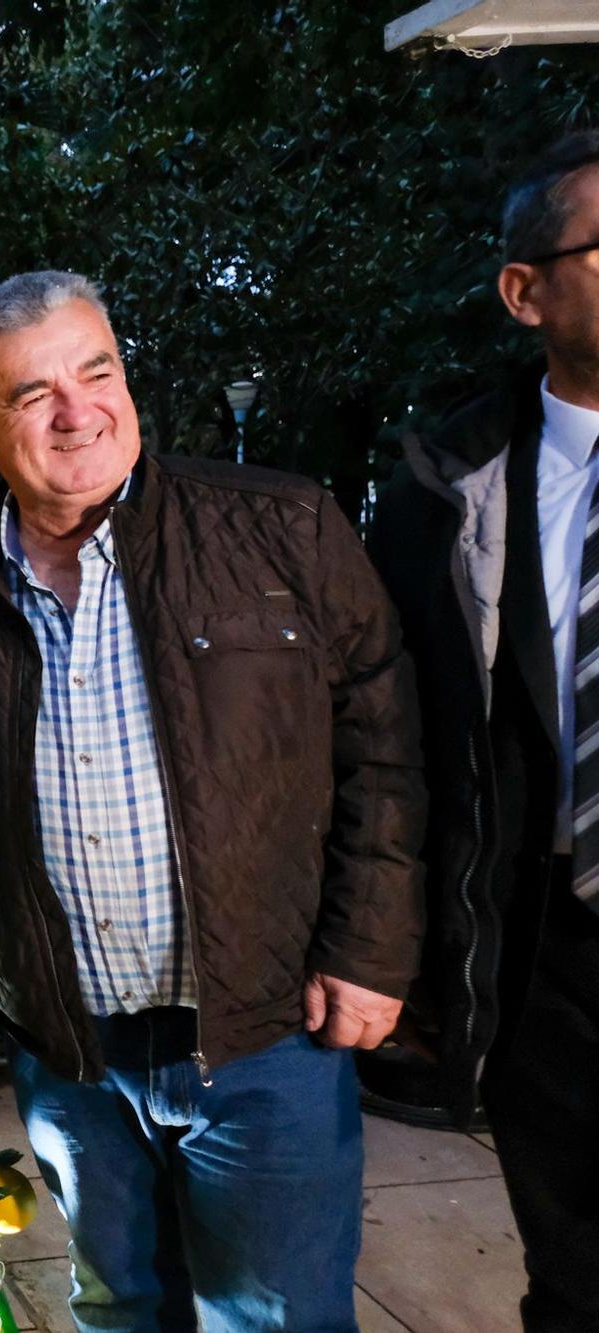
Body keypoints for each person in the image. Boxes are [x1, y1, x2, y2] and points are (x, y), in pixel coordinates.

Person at [0, 270, 425, 1332]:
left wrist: (371, 947)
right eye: (30, 393)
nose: (75, 409)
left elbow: (385, 742)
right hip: (69, 1049)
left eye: (94, 370)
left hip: (263, 1034)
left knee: (273, 1319)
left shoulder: (278, 528)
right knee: (118, 1309)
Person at [367, 130, 599, 1333]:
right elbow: (391, 739)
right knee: (571, 1270)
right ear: (525, 291)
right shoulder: (440, 495)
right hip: (542, 945)